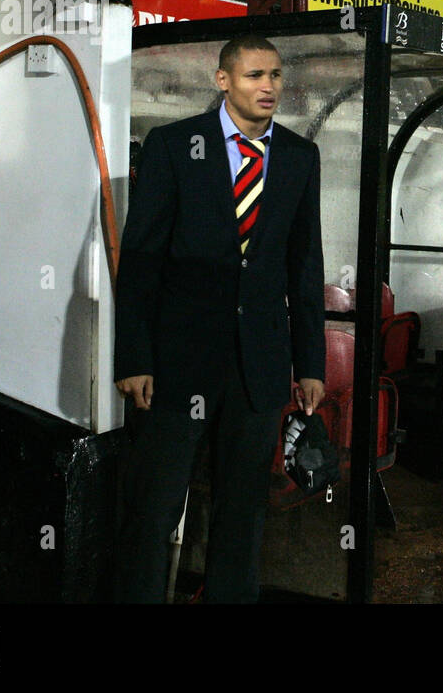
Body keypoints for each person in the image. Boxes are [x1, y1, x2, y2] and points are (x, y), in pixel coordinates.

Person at [112, 34, 325, 603]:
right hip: (177, 364)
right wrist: (134, 357)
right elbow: (140, 261)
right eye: (255, 75)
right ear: (223, 80)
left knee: (243, 512)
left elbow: (306, 266)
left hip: (257, 365)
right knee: (154, 510)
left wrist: (310, 364)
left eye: (276, 76)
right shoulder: (175, 145)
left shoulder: (301, 158)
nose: (269, 87)